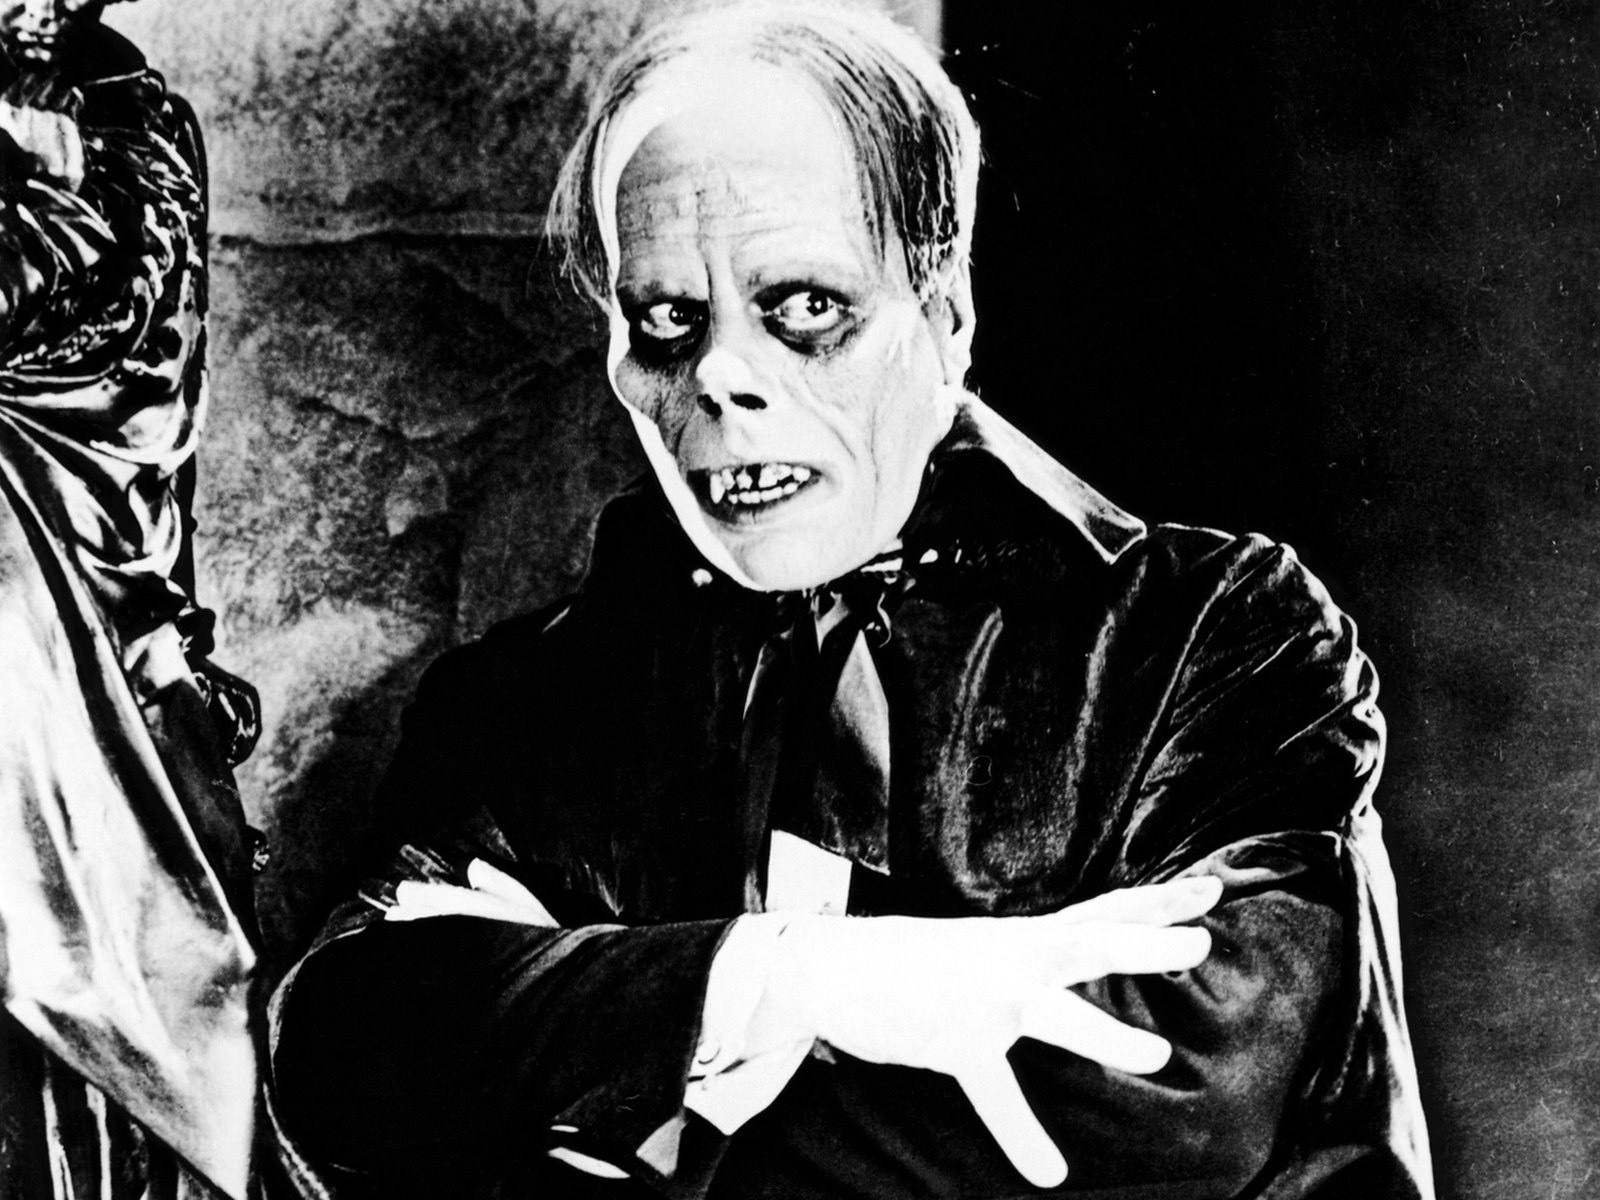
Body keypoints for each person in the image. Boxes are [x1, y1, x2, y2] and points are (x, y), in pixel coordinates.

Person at [269, 4, 1434, 1198]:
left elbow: (1187, 1096)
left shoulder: (1211, 633)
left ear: (944, 315)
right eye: (666, 320)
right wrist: (780, 979)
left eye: (806, 307)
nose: (721, 376)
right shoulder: (527, 704)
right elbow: (340, 1053)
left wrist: (617, 1097)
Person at [0, 1, 263, 1196]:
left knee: (138, 1027)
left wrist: (173, 634)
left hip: (95, 636)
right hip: (39, 637)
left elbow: (162, 426)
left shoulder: (138, 128)